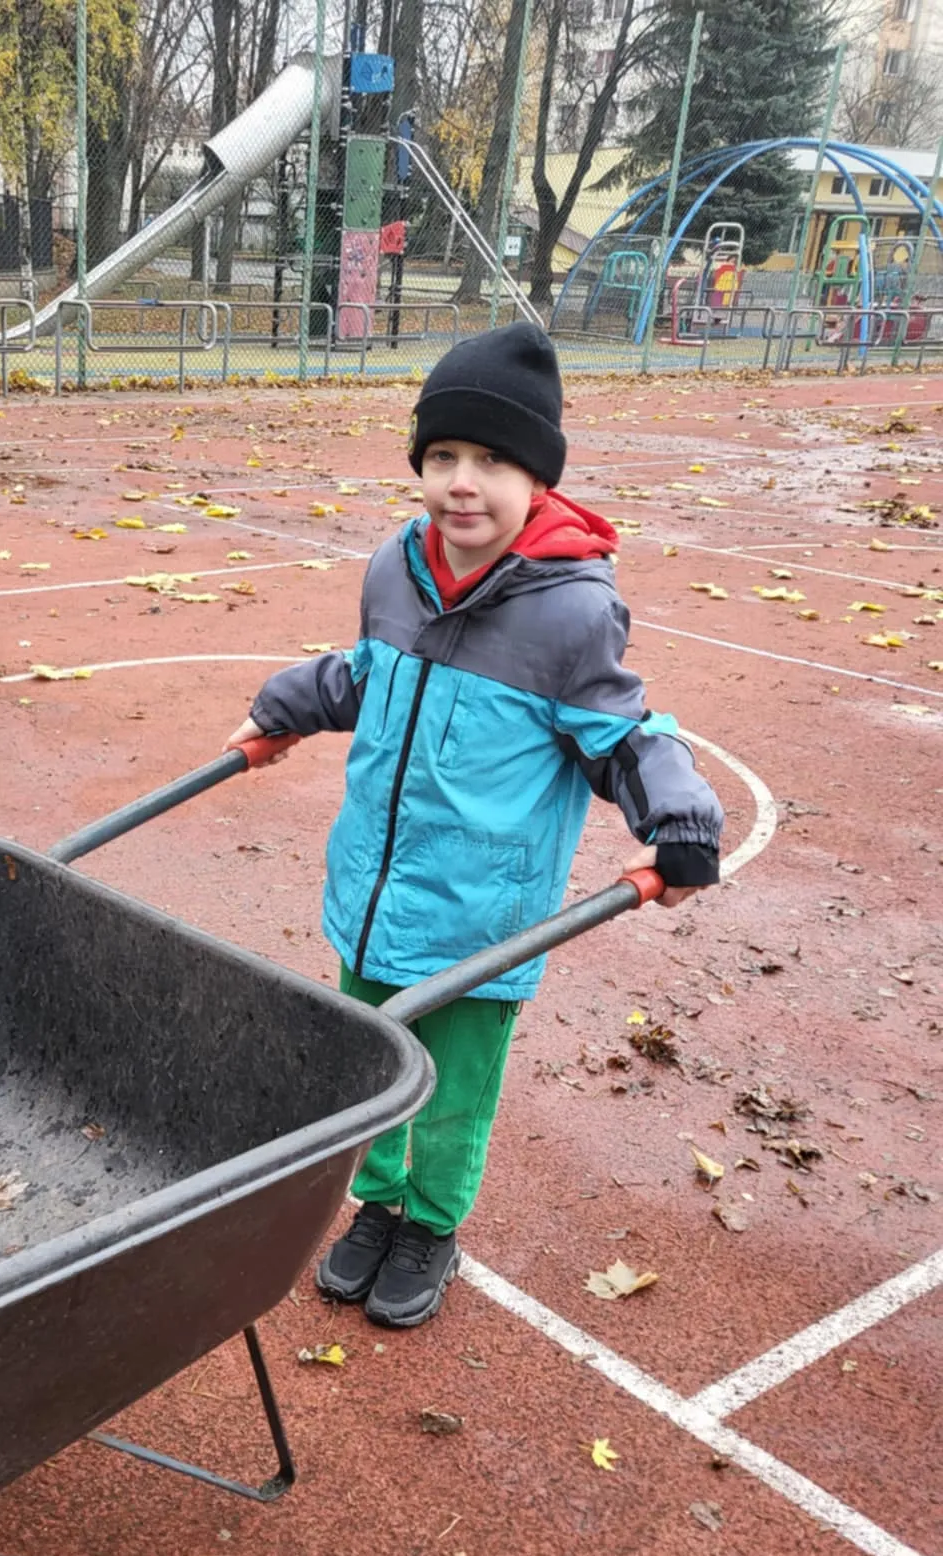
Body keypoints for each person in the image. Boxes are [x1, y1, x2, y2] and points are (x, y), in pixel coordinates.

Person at [224, 326, 723, 1330]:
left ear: (537, 477)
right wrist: (284, 709)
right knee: (369, 1066)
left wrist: (679, 822)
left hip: (480, 917)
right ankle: (379, 1202)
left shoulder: (571, 613)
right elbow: (365, 674)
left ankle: (431, 1223)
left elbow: (623, 737)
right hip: (374, 892)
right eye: (443, 454)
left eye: (493, 460)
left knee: (451, 1093)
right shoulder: (394, 568)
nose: (462, 483)